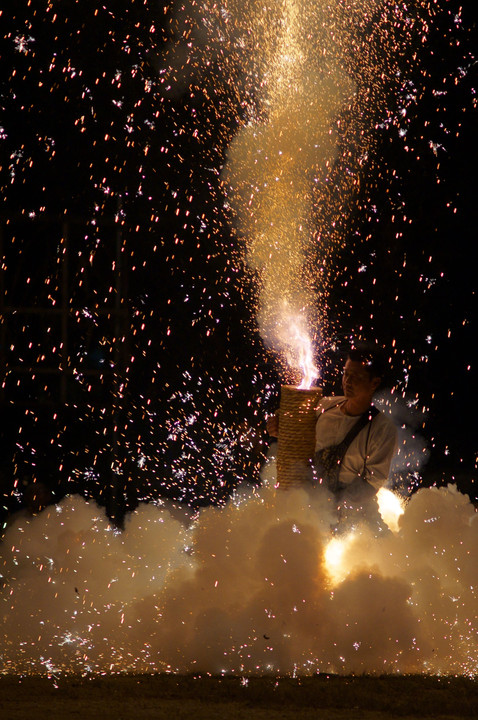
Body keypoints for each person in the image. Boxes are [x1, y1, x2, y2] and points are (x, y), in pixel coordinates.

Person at [267, 347, 397, 530]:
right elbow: (296, 435)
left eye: (356, 377)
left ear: (374, 383)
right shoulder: (324, 406)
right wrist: (279, 427)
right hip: (312, 501)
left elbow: (370, 484)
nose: (347, 382)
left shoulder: (382, 430)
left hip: (354, 516)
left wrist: (333, 507)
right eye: (346, 374)